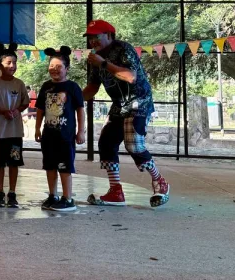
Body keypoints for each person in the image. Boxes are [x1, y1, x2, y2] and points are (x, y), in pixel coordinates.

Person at [82, 20, 169, 208]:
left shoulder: (123, 49)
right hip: (119, 105)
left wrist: (103, 63)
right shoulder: (95, 58)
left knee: (134, 144)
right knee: (106, 142)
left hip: (139, 101)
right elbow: (92, 88)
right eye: (90, 38)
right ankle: (116, 191)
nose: (92, 41)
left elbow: (131, 77)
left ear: (109, 35)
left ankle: (159, 181)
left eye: (96, 36)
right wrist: (73, 98)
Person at [35, 47, 85, 212]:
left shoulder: (73, 87)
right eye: (51, 66)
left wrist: (81, 131)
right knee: (50, 166)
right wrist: (37, 129)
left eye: (59, 67)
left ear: (67, 68)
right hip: (48, 135)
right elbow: (40, 109)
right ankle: (52, 195)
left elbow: (80, 110)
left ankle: (67, 198)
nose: (54, 70)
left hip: (65, 136)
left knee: (65, 166)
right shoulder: (46, 86)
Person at [0, 42, 29, 208]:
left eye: (14, 62)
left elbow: (25, 102)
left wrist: (17, 110)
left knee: (14, 162)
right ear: (0, 65)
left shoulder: (19, 84)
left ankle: (12, 193)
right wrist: (3, 111)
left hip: (15, 133)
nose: (12, 66)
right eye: (8, 63)